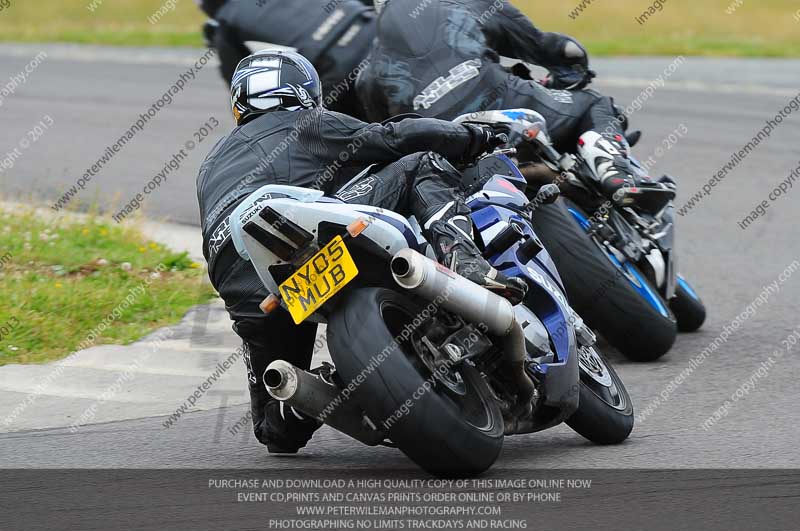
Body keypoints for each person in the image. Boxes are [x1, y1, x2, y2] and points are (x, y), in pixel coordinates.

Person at [196, 49, 526, 454]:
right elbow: (394, 138)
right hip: (299, 233)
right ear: (304, 91)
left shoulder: (210, 163)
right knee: (420, 163)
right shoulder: (307, 121)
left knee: (274, 430)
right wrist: (475, 137)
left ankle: (312, 399)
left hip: (243, 278)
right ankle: (465, 262)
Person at [357, 0, 656, 201]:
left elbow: (391, 137)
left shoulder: (367, 73)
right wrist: (569, 75)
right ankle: (613, 169)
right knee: (592, 104)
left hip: (452, 153)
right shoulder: (464, 4)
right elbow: (560, 50)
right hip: (507, 104)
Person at [197, 0, 376, 118]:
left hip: (336, 67)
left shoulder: (226, 23)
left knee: (326, 142)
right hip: (373, 28)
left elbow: (242, 93)